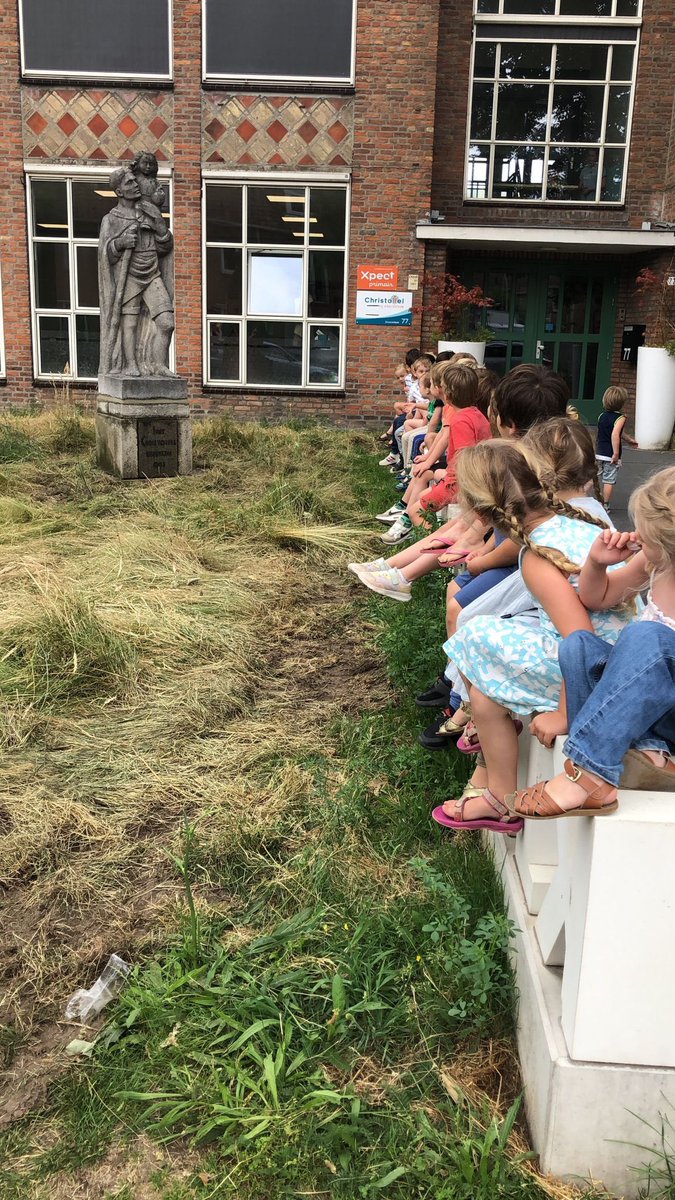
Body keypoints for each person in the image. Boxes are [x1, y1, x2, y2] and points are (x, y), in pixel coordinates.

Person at [431, 439, 633, 835]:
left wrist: (563, 712)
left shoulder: (538, 555)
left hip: (595, 675)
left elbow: (579, 639)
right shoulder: (578, 524)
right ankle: (495, 768)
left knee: (473, 637)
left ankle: (495, 782)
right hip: (618, 657)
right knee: (488, 669)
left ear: (483, 511)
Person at [510, 466, 675, 820]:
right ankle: (645, 753)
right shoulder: (655, 563)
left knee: (646, 637)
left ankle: (588, 774)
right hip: (649, 712)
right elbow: (597, 598)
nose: (635, 538)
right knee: (579, 646)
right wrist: (597, 564)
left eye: (646, 535)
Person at [98, 165, 175, 378]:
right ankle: (129, 365)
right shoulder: (111, 219)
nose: (135, 185)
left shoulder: (148, 211)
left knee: (167, 322)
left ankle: (158, 365)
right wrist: (120, 243)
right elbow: (106, 255)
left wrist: (160, 225)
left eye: (135, 180)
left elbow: (165, 248)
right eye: (129, 183)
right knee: (129, 324)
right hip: (129, 275)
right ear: (120, 191)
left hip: (152, 274)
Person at [596, 385, 638, 509]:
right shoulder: (620, 418)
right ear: (622, 403)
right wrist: (615, 453)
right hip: (610, 455)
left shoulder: (601, 416)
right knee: (608, 480)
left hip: (599, 452)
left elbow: (616, 433)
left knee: (595, 476)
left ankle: (590, 498)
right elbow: (615, 434)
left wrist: (628, 439)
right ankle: (605, 505)